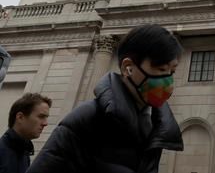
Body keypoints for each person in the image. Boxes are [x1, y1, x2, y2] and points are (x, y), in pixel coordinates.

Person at [27, 25, 184, 173]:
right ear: (128, 67)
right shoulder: (87, 119)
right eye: (161, 69)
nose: (168, 81)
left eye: (172, 71)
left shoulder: (155, 124)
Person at [0, 93, 51, 173]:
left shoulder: (25, 153)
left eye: (46, 118)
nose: (45, 123)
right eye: (41, 116)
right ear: (20, 117)